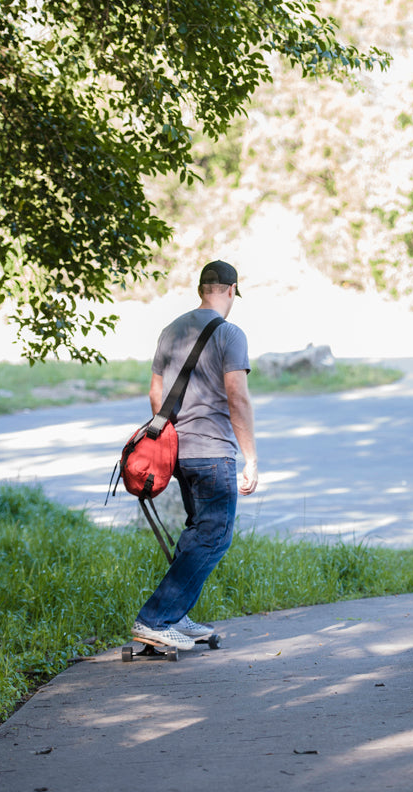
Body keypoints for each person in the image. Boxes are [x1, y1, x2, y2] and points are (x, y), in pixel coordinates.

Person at [132, 260, 259, 650]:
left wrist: (172, 435)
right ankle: (154, 618)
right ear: (231, 290)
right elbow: (237, 396)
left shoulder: (172, 330)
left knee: (196, 532)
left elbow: (156, 393)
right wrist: (250, 456)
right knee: (215, 536)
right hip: (213, 451)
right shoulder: (230, 333)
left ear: (201, 288)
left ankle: (174, 615)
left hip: (178, 451)